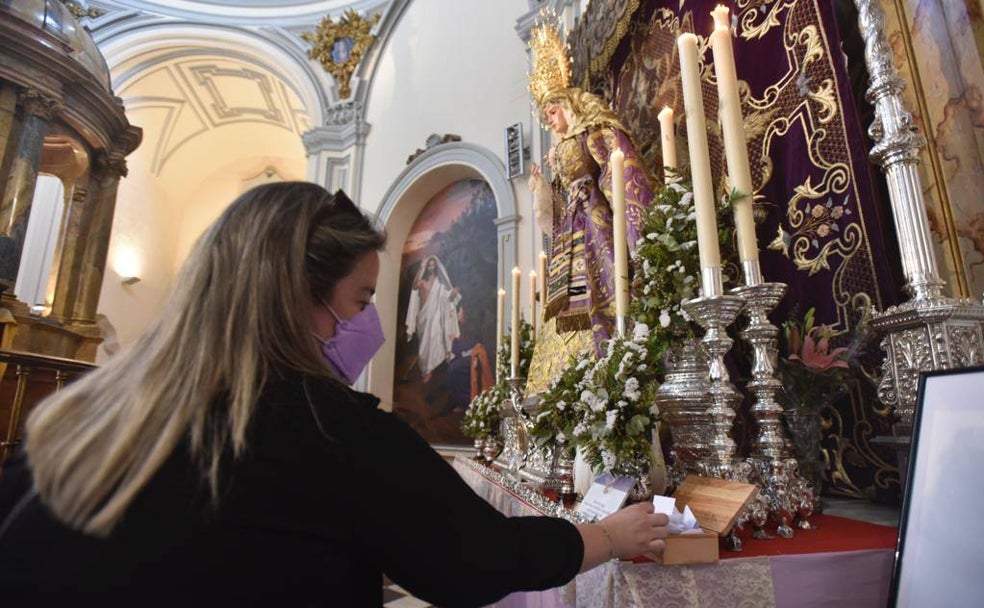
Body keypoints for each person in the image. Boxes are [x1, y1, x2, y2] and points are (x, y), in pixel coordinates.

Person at [0, 182, 669, 607]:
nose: (365, 327)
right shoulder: (329, 433)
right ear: (297, 296)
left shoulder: (71, 416)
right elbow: (475, 563)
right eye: (359, 301)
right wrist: (606, 536)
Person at [527, 22, 655, 359]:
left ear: (569, 106)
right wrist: (542, 190)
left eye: (552, 112)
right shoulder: (558, 149)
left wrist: (625, 220)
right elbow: (554, 214)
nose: (550, 122)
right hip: (571, 227)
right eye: (546, 117)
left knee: (607, 277)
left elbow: (618, 170)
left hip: (595, 216)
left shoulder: (594, 134)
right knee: (571, 296)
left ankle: (620, 346)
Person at [405, 254, 460, 383]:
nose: (431, 267)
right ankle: (425, 368)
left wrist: (453, 294)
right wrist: (421, 267)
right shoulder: (422, 281)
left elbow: (446, 299)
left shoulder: (439, 284)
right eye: (429, 265)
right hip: (423, 318)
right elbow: (414, 287)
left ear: (436, 267)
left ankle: (429, 370)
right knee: (424, 344)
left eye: (433, 265)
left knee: (435, 334)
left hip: (435, 316)